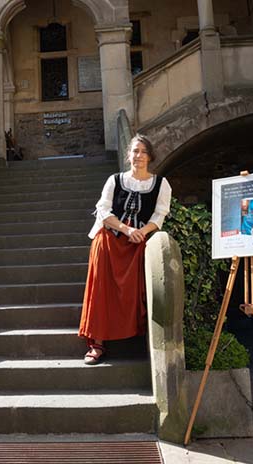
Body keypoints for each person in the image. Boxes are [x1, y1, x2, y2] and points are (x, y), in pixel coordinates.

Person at [78, 134, 172, 365]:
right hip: (109, 240)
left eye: (143, 152)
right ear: (128, 155)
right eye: (135, 151)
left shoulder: (161, 184)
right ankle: (97, 344)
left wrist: (140, 232)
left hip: (138, 244)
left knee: (136, 291)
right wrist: (126, 229)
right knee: (100, 291)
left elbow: (159, 215)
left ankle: (137, 339)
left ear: (150, 157)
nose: (138, 156)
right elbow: (103, 210)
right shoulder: (115, 180)